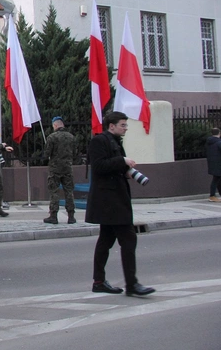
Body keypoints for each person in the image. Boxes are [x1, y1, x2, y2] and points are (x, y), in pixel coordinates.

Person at [86, 111, 155, 297]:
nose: (125, 128)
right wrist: (122, 161)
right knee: (128, 238)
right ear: (111, 126)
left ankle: (99, 282)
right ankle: (132, 285)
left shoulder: (115, 141)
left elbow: (114, 167)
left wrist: (128, 171)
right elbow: (99, 166)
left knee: (105, 241)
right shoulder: (99, 141)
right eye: (123, 125)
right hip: (109, 200)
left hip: (114, 198)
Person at [43, 116, 77, 224]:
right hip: (67, 168)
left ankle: (53, 216)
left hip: (55, 169)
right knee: (69, 192)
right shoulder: (71, 137)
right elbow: (75, 153)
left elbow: (46, 154)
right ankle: (71, 216)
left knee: (54, 192)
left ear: (55, 125)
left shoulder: (52, 137)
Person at [206, 128, 221, 202]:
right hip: (219, 163)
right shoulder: (220, 143)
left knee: (218, 178)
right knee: (216, 179)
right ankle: (212, 196)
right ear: (219, 133)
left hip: (212, 163)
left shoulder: (209, 142)